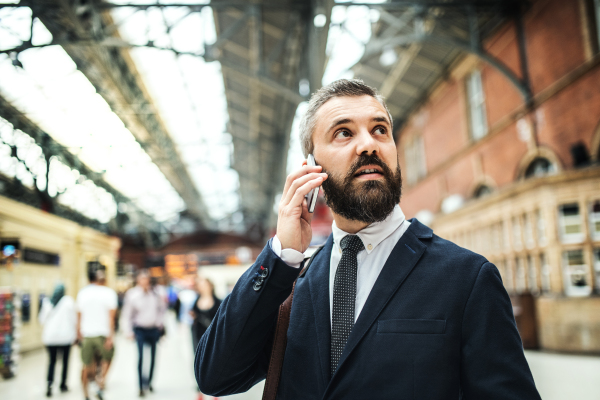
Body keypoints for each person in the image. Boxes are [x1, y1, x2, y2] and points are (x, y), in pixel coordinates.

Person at [195, 79, 542, 399]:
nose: (368, 145)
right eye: (344, 133)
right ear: (311, 167)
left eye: (380, 130)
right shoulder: (292, 284)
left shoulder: (467, 278)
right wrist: (281, 255)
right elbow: (216, 376)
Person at [121, 270, 166, 397]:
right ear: (138, 281)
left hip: (153, 329)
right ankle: (141, 386)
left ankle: (150, 382)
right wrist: (128, 331)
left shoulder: (156, 294)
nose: (145, 282)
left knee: (153, 357)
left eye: (146, 279)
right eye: (142, 279)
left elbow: (161, 310)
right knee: (141, 357)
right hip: (139, 329)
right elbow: (127, 314)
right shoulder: (132, 294)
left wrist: (159, 324)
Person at [76, 268, 117, 400]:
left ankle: (86, 393)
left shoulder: (83, 293)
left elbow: (78, 316)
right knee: (107, 358)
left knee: (86, 364)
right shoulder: (109, 293)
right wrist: (111, 336)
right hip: (102, 333)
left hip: (86, 333)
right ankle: (101, 383)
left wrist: (78, 334)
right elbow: (111, 318)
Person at [39, 283, 76, 397]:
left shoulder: (47, 302)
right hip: (65, 337)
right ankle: (63, 384)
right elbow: (74, 319)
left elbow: (41, 320)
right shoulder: (68, 301)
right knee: (65, 362)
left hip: (50, 338)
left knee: (52, 362)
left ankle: (49, 384)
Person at [190, 276, 221, 356]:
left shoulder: (219, 303)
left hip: (214, 336)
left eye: (204, 285)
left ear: (210, 286)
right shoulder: (195, 302)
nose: (202, 288)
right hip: (199, 335)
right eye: (200, 286)